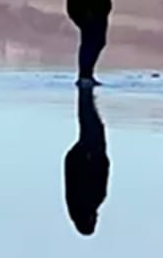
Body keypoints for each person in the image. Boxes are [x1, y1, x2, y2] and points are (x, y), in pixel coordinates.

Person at [64, 86, 110, 236]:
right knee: (92, 123)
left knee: (91, 123)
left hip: (90, 153)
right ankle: (86, 93)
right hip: (91, 153)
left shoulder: (87, 200)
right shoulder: (88, 201)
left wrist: (84, 154)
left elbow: (99, 176)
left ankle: (85, 90)